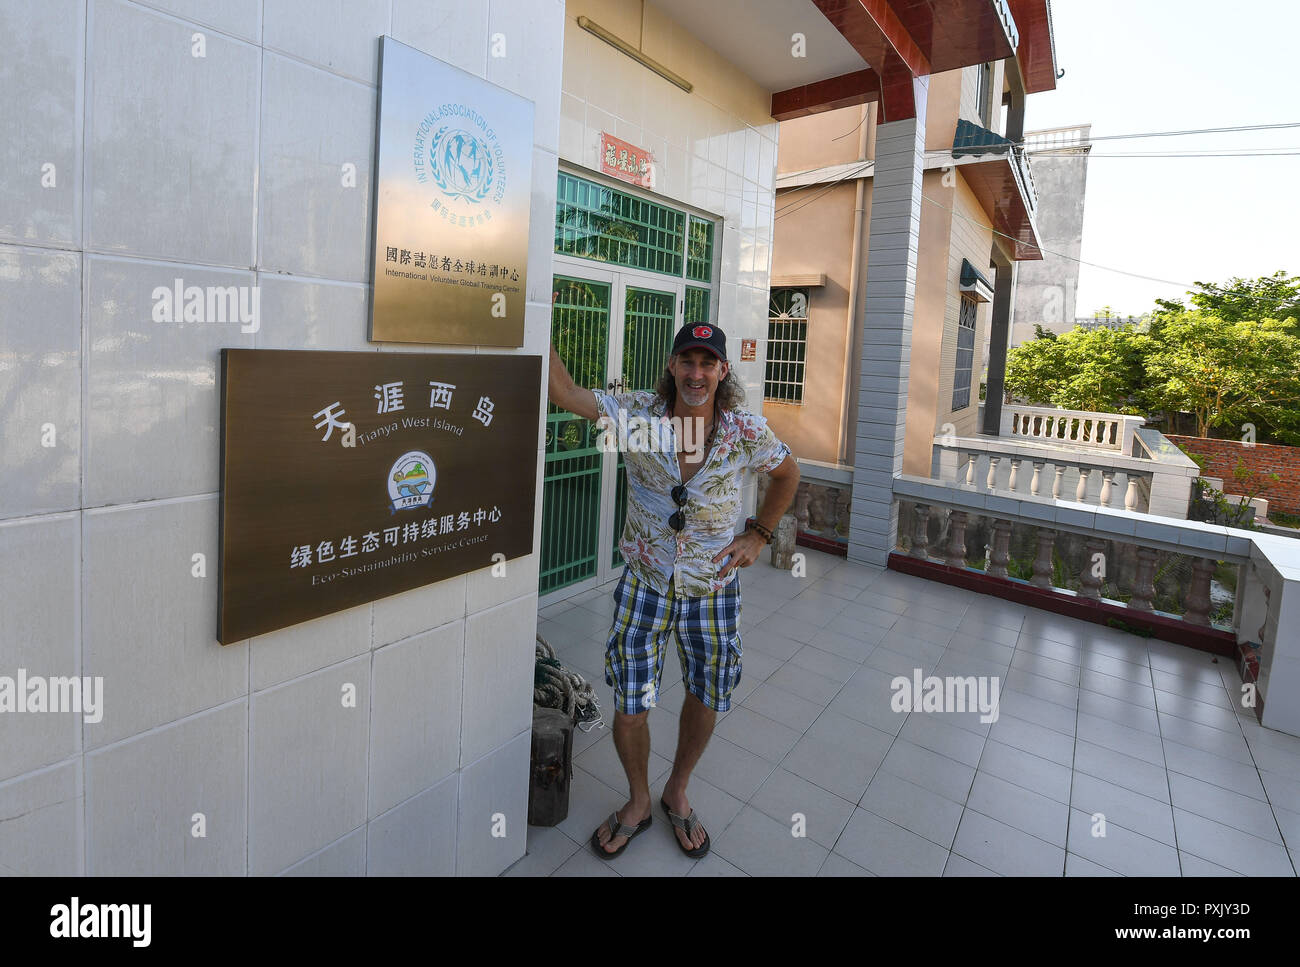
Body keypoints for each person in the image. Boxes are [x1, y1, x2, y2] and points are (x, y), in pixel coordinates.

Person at [547, 322, 800, 860]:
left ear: (723, 372)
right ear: (671, 366)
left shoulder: (743, 431)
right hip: (645, 583)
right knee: (631, 703)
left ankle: (676, 789)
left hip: (713, 587)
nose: (696, 373)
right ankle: (638, 801)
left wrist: (758, 534)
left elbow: (788, 475)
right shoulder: (640, 418)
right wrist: (534, 306)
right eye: (687, 361)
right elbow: (565, 393)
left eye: (708, 363)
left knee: (707, 692)